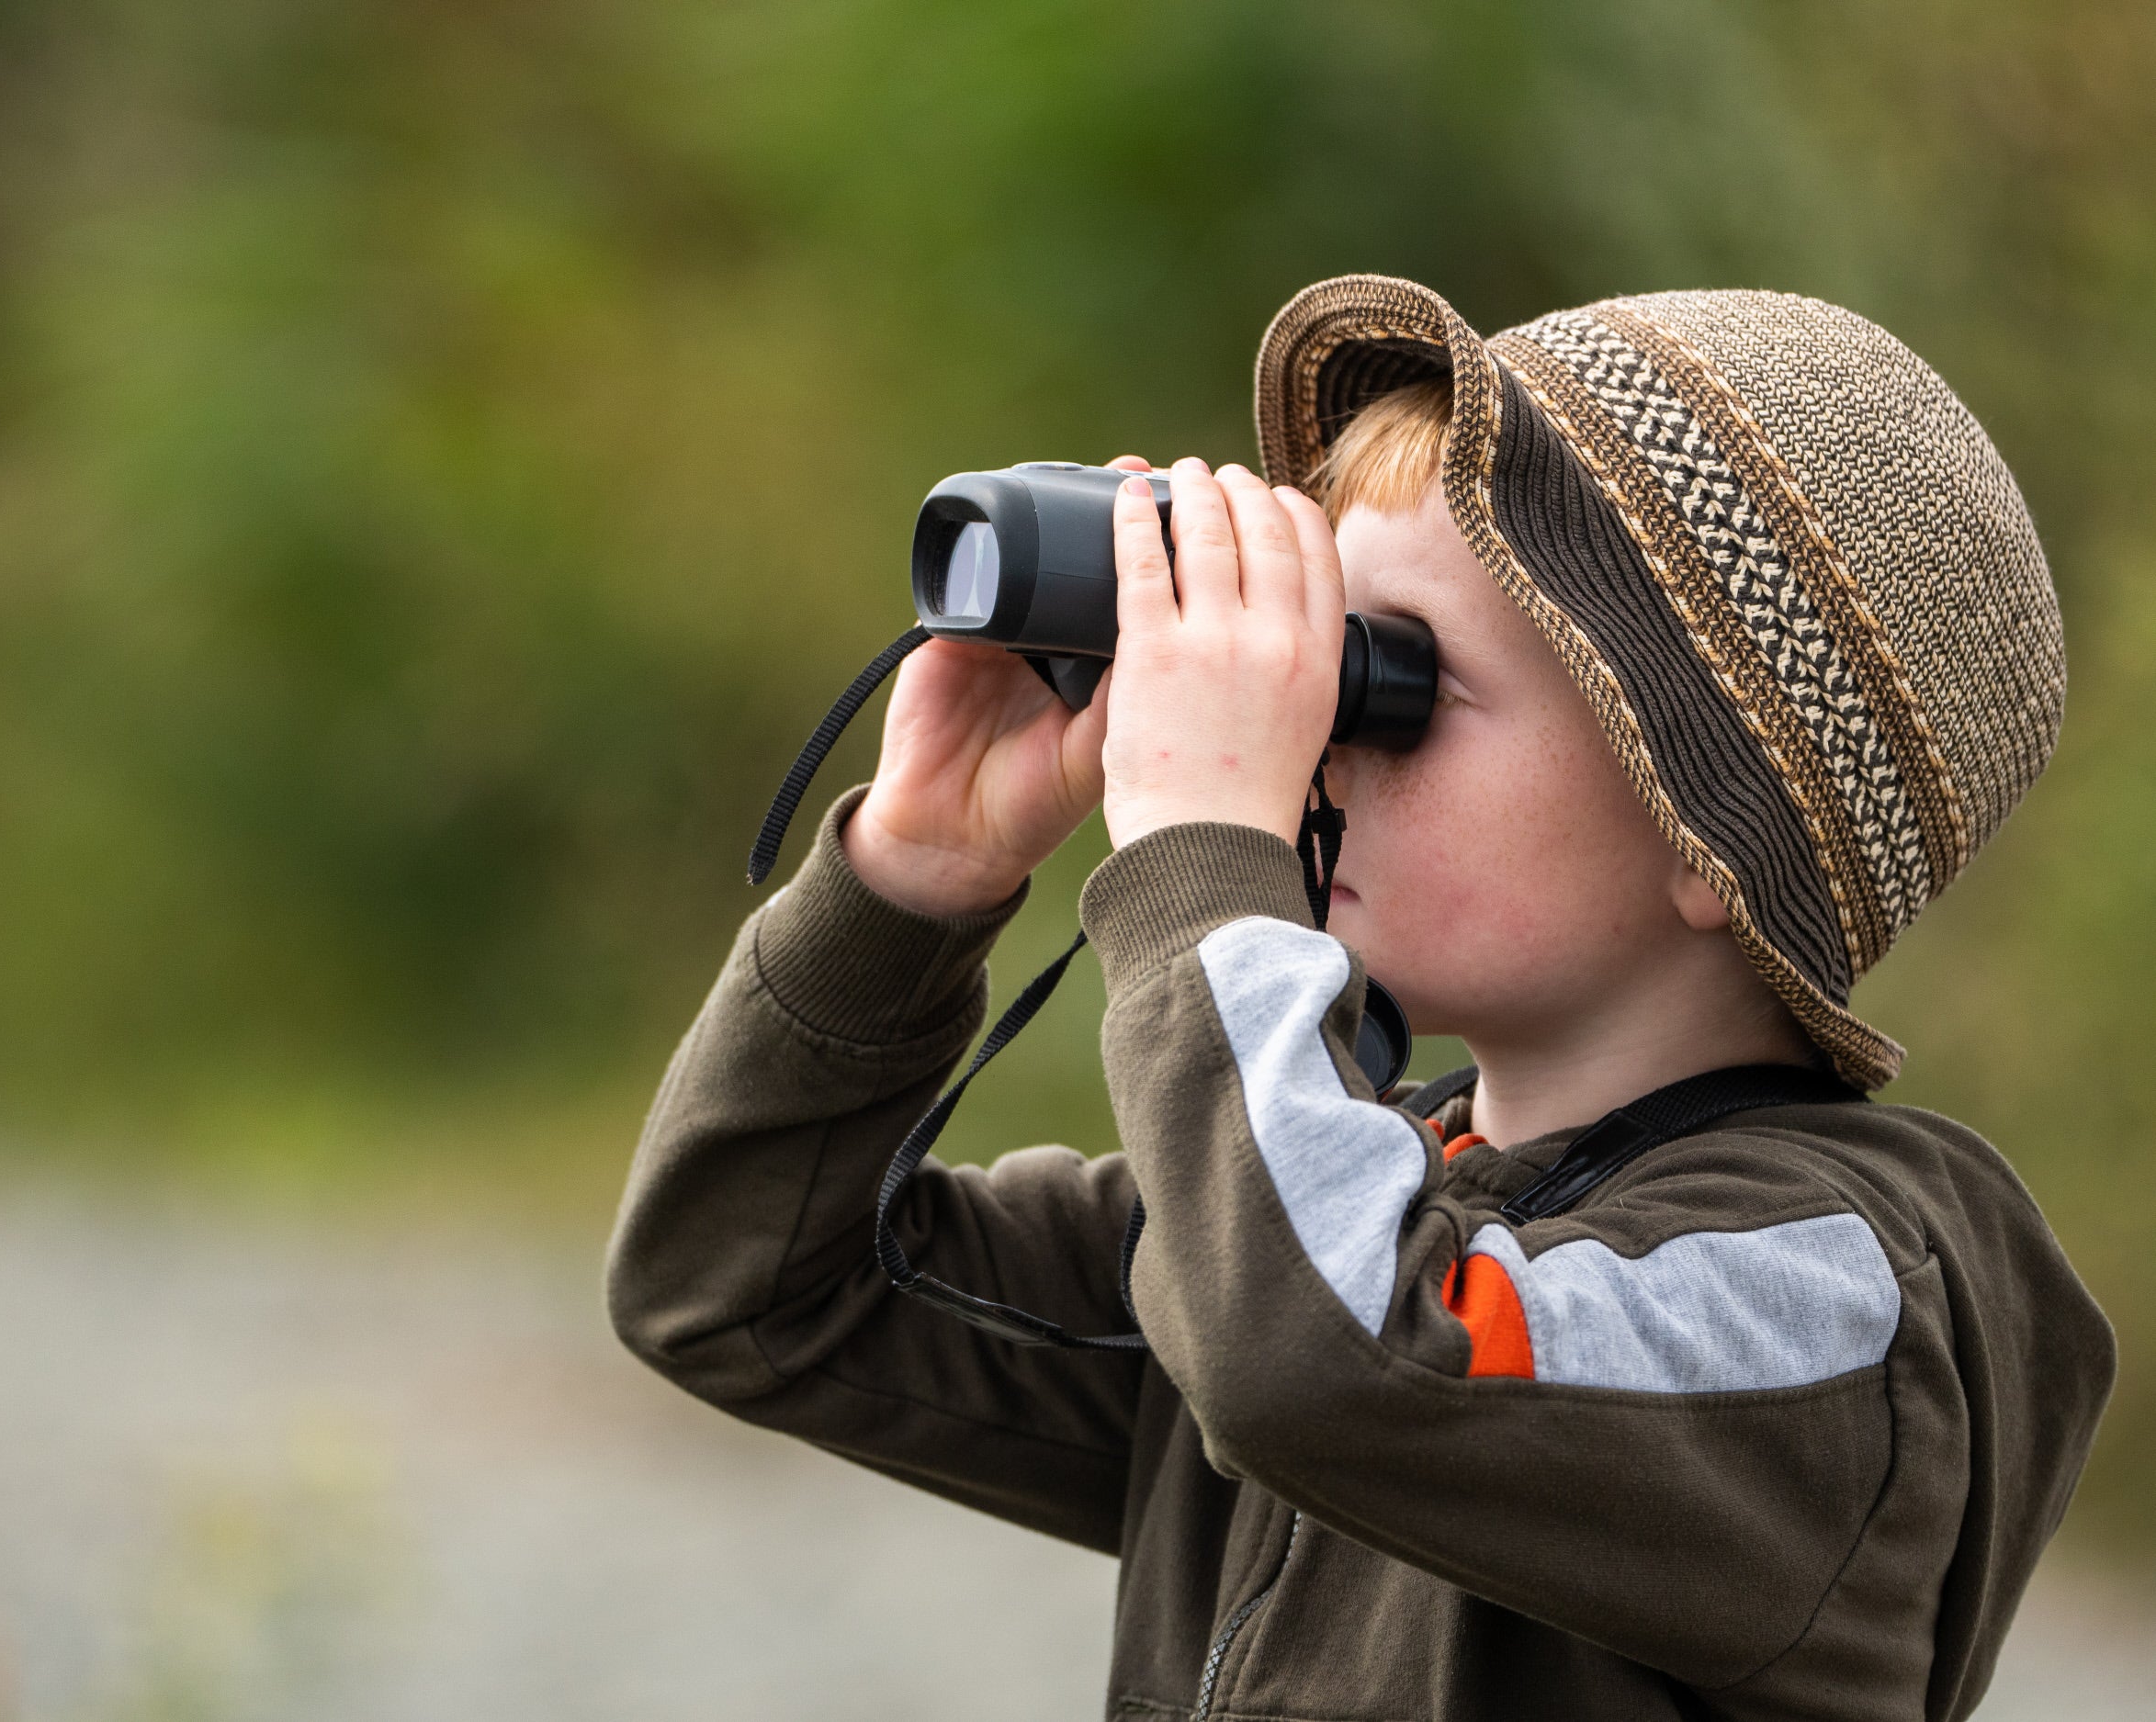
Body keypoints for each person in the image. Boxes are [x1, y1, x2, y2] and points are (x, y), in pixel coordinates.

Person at [608, 276, 2113, 1721]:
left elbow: (1336, 1356)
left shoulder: (1836, 1307)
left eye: (1393, 679)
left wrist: (1209, 850)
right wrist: (915, 875)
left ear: (1709, 829)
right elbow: (747, 1290)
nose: (1311, 734)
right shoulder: (1304, 1222)